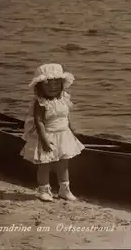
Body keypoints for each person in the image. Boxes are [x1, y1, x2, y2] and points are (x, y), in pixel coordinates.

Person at [21, 63, 85, 202]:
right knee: (45, 165)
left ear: (62, 84)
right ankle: (43, 190)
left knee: (63, 164)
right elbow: (39, 122)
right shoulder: (41, 102)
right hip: (48, 135)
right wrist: (43, 140)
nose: (52, 88)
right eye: (48, 85)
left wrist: (73, 131)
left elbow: (66, 116)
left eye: (56, 84)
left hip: (63, 134)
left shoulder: (63, 98)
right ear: (40, 87)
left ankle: (64, 190)